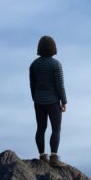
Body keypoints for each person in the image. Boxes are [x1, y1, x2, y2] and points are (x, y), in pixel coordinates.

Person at [29, 35, 67, 167]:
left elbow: (32, 84)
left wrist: (35, 98)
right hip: (53, 102)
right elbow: (60, 85)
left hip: (38, 101)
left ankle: (42, 156)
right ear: (53, 48)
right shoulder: (56, 64)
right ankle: (54, 157)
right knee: (56, 129)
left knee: (40, 128)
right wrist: (64, 101)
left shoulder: (34, 64)